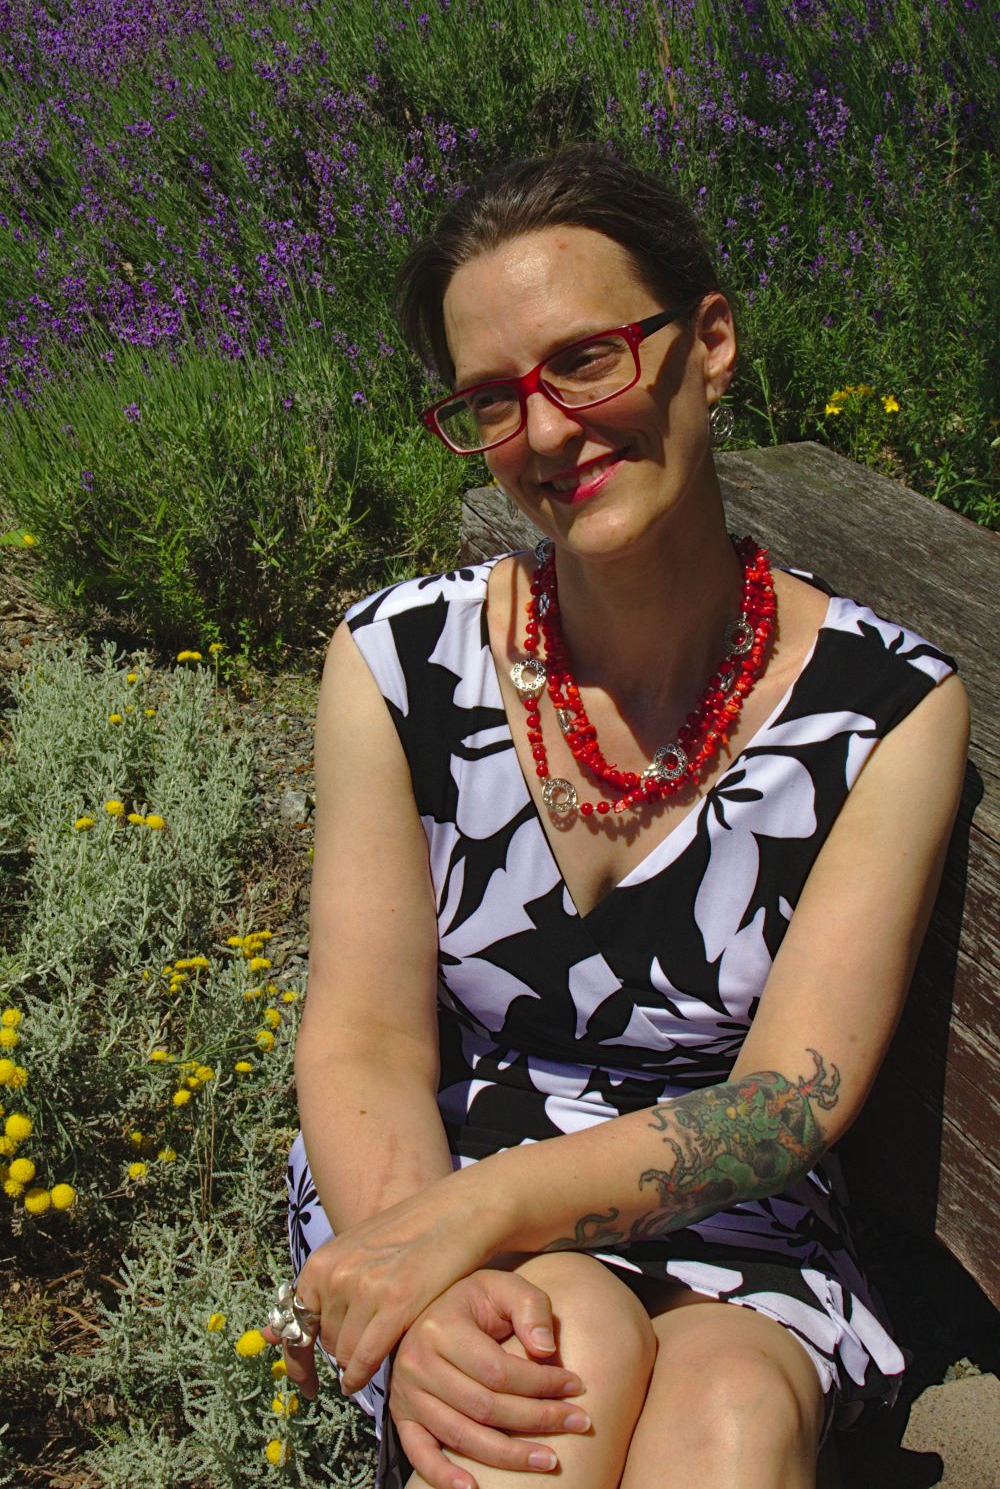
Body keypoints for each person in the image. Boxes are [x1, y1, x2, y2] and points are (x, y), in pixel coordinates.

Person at [268, 145, 969, 1489]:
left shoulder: (886, 710)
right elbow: (361, 1037)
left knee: (730, 1421)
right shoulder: (396, 664)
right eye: (490, 398)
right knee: (550, 1361)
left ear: (707, 342)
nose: (541, 431)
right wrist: (428, 1269)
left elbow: (785, 1100)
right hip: (429, 1171)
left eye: (585, 359)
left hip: (725, 1208)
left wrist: (475, 1217)